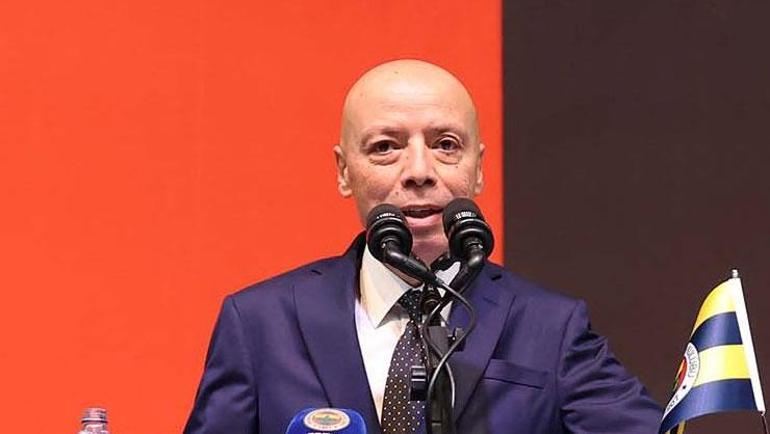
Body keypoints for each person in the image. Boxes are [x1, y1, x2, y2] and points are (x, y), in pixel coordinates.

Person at [184, 59, 662, 433]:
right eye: (385, 147)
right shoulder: (260, 323)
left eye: (446, 145)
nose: (419, 171)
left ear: (478, 168)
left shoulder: (551, 326)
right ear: (344, 172)